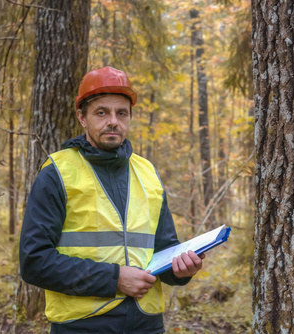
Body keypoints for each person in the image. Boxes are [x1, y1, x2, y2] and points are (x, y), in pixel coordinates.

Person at [19, 66, 205, 334]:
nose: (113, 121)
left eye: (121, 113)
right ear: (82, 118)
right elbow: (34, 262)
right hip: (82, 326)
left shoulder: (148, 173)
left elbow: (164, 250)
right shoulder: (57, 173)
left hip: (147, 325)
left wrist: (180, 270)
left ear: (130, 117)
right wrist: (115, 279)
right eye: (101, 112)